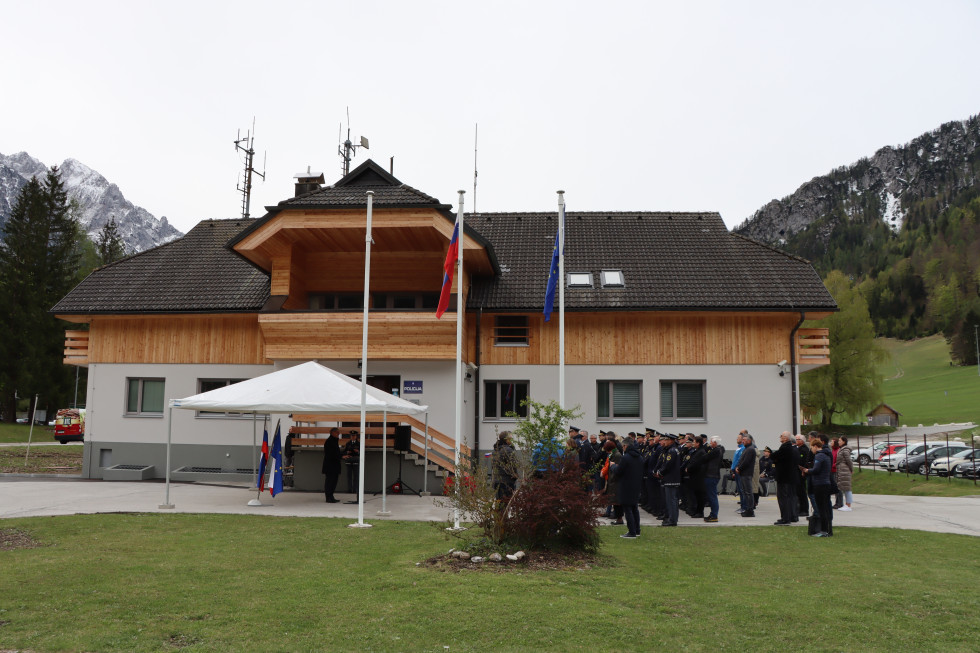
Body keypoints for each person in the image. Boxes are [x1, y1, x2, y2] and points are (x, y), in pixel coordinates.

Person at [612, 437, 645, 538]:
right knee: (634, 508)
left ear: (625, 446)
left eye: (623, 446)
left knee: (627, 508)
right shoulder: (640, 457)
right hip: (636, 485)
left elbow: (618, 472)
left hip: (626, 485)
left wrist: (613, 466)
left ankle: (632, 531)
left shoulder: (626, 458)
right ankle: (637, 530)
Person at [803, 438, 834, 537]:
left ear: (816, 446)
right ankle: (827, 529)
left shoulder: (819, 456)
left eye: (811, 447)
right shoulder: (827, 455)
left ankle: (824, 530)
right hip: (826, 483)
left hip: (820, 484)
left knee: (821, 508)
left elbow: (816, 470)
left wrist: (807, 470)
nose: (811, 449)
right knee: (825, 507)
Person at [771, 431, 799, 525]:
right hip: (786, 476)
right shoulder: (788, 447)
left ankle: (785, 518)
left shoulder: (785, 447)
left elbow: (775, 456)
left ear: (786, 438)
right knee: (785, 497)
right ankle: (786, 517)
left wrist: (774, 457)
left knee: (783, 498)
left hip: (784, 477)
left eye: (782, 436)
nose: (780, 437)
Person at [656, 433, 681, 526]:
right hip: (672, 478)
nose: (664, 441)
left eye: (666, 440)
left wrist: (660, 472)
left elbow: (667, 465)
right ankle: (672, 518)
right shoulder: (674, 450)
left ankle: (672, 520)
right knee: (671, 500)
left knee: (671, 500)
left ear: (671, 440)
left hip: (671, 479)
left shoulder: (672, 451)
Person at [735, 433, 757, 517]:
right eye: (742, 440)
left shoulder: (750, 449)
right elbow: (741, 460)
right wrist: (738, 467)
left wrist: (739, 468)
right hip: (743, 473)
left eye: (744, 440)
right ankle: (747, 508)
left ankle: (750, 510)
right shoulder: (746, 448)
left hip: (746, 473)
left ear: (749, 440)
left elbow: (746, 462)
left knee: (748, 492)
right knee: (745, 492)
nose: (742, 441)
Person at [491, 431, 517, 500]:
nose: (512, 440)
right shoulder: (508, 450)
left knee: (499, 504)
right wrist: (515, 476)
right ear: (506, 439)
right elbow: (513, 466)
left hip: (497, 481)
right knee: (505, 505)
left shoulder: (495, 450)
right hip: (506, 482)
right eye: (511, 438)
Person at [321, 427, 342, 503]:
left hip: (334, 466)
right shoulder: (329, 441)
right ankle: (328, 497)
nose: (338, 434)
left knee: (334, 482)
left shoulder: (334, 441)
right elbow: (331, 454)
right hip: (330, 466)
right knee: (330, 482)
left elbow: (336, 453)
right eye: (337, 432)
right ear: (332, 433)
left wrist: (341, 456)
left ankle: (331, 496)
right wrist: (340, 456)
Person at [836, 436, 854, 511]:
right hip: (842, 470)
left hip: (845, 470)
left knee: (847, 488)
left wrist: (851, 469)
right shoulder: (841, 449)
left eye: (840, 440)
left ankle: (848, 505)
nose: (838, 442)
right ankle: (847, 504)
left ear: (844, 441)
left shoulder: (845, 449)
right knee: (844, 487)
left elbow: (848, 460)